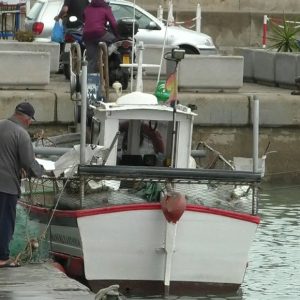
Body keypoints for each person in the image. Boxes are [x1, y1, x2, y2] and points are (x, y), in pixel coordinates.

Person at [0, 102, 44, 268]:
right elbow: (28, 162)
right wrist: (41, 172)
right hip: (5, 185)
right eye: (31, 120)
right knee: (5, 221)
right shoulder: (22, 134)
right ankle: (2, 257)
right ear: (27, 119)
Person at [82, 0, 119, 73]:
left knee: (91, 60)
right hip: (100, 33)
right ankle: (107, 54)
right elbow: (113, 23)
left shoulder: (88, 7)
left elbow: (84, 17)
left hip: (87, 35)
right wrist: (118, 36)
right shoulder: (105, 7)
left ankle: (90, 81)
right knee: (115, 40)